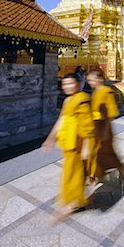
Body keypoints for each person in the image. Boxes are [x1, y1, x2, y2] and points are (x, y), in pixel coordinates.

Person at [41, 73, 95, 216]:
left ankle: (76, 202)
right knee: (70, 171)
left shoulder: (83, 99)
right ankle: (74, 199)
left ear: (78, 84)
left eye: (71, 83)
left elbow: (87, 125)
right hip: (68, 141)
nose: (68, 87)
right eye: (65, 84)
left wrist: (86, 147)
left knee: (74, 172)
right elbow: (61, 120)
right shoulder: (67, 101)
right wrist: (50, 139)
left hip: (79, 141)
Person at [86, 68, 124, 184]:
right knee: (93, 153)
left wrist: (104, 131)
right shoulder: (96, 92)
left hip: (104, 126)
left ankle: (121, 169)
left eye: (91, 80)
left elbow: (111, 113)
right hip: (94, 126)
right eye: (89, 80)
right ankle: (92, 175)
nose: (90, 83)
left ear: (99, 79)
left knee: (108, 152)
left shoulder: (107, 92)